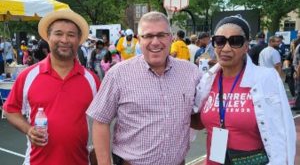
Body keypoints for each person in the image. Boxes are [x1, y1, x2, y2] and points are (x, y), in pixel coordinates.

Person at [86, 11, 200, 165]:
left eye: (161, 35)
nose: (155, 42)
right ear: (139, 40)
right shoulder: (118, 74)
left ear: (170, 38)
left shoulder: (191, 72)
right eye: (148, 36)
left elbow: (198, 117)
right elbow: (100, 122)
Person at [192, 15, 296, 165]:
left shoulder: (266, 79)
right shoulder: (207, 80)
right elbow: (198, 120)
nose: (226, 48)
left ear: (246, 46)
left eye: (235, 41)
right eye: (220, 41)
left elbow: (283, 130)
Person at [3, 10, 100, 165]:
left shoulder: (92, 80)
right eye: (58, 33)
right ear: (48, 37)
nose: (64, 40)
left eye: (71, 35)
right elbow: (9, 110)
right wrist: (28, 129)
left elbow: (102, 124)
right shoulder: (28, 75)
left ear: (79, 40)